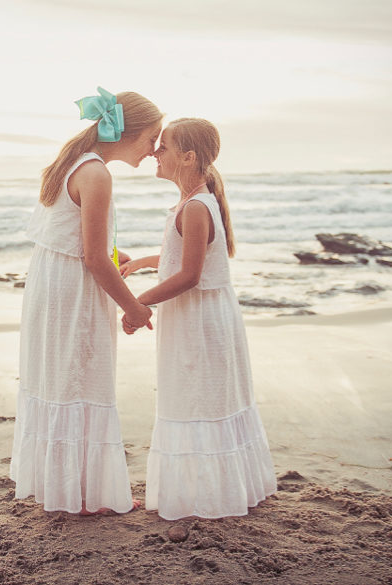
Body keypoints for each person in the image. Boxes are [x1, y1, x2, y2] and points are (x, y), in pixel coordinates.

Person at [10, 87, 163, 514]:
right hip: (73, 292)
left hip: (52, 282)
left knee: (62, 379)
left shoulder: (77, 163)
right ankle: (86, 495)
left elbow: (78, 241)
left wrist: (116, 255)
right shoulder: (96, 174)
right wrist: (132, 305)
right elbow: (93, 259)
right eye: (152, 139)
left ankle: (65, 486)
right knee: (81, 377)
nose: (154, 151)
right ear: (127, 133)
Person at [120, 117, 277, 520]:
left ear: (188, 157)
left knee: (197, 400)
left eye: (165, 146)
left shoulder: (194, 207)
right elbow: (190, 258)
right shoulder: (198, 201)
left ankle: (208, 497)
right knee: (201, 398)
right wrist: (143, 261)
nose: (156, 151)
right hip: (205, 315)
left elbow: (189, 276)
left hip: (198, 320)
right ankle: (213, 489)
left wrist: (139, 304)